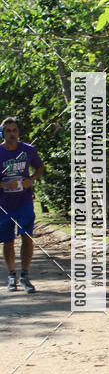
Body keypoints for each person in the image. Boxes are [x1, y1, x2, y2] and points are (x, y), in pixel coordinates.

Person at [0, 117, 45, 293]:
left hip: (24, 201)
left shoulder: (28, 150)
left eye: (15, 130)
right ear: (3, 133)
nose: (12, 134)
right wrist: (4, 185)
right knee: (8, 241)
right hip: (3, 204)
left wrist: (31, 179)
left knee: (27, 237)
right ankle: (12, 276)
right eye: (8, 131)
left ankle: (25, 275)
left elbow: (40, 167)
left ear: (18, 132)